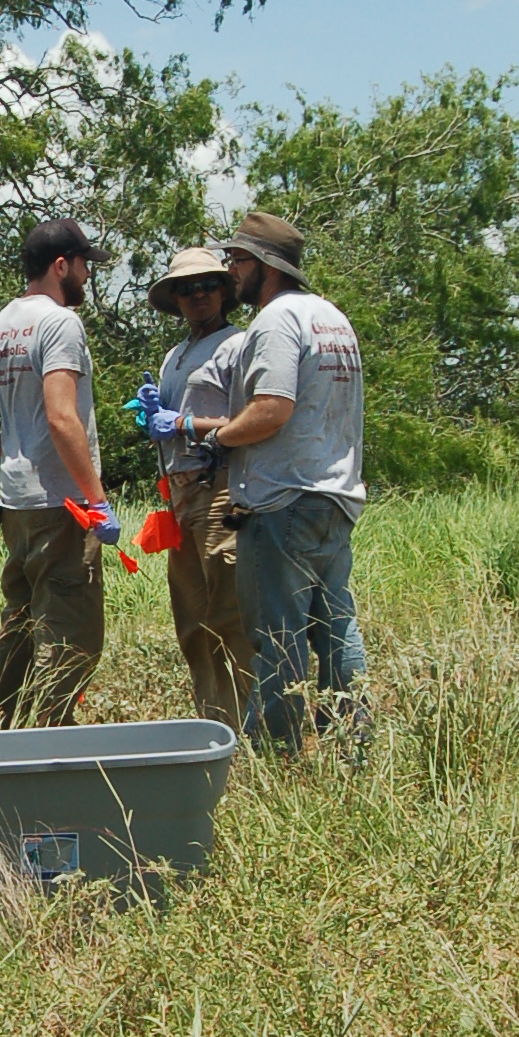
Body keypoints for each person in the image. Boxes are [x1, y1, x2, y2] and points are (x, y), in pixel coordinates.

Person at [183, 212, 368, 754]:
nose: (230, 272)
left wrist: (219, 440)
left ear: (264, 265)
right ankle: (350, 751)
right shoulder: (332, 318)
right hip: (335, 497)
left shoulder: (275, 321)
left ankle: (276, 760)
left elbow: (271, 410)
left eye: (237, 260)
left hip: (282, 499)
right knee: (336, 631)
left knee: (276, 638)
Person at [0, 217, 124, 728]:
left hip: (17, 504)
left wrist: (8, 449)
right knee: (71, 638)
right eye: (84, 266)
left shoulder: (2, 323)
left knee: (18, 626)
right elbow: (62, 416)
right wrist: (96, 499)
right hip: (61, 506)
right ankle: (50, 748)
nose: (87, 275)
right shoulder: (60, 324)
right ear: (61, 266)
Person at [134, 247, 255, 728]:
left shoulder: (238, 345)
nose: (197, 295)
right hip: (180, 494)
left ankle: (256, 726)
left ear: (225, 290)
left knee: (230, 612)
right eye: (186, 288)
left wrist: (183, 423)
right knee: (191, 619)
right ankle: (214, 724)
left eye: (206, 285)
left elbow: (251, 421)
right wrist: (150, 415)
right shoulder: (175, 355)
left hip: (222, 486)